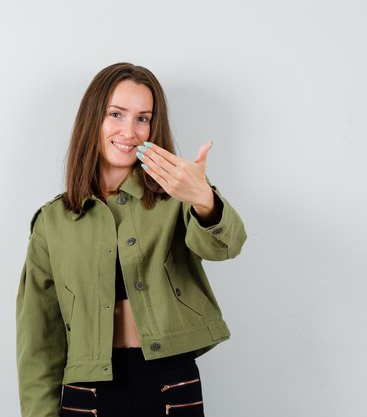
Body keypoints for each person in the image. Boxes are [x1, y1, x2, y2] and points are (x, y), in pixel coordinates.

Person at [16, 63, 247, 417]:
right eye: (116, 114)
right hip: (86, 392)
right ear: (93, 119)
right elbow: (38, 340)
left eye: (143, 118)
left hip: (170, 383)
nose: (129, 130)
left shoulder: (178, 199)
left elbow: (225, 246)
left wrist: (203, 197)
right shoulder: (52, 221)